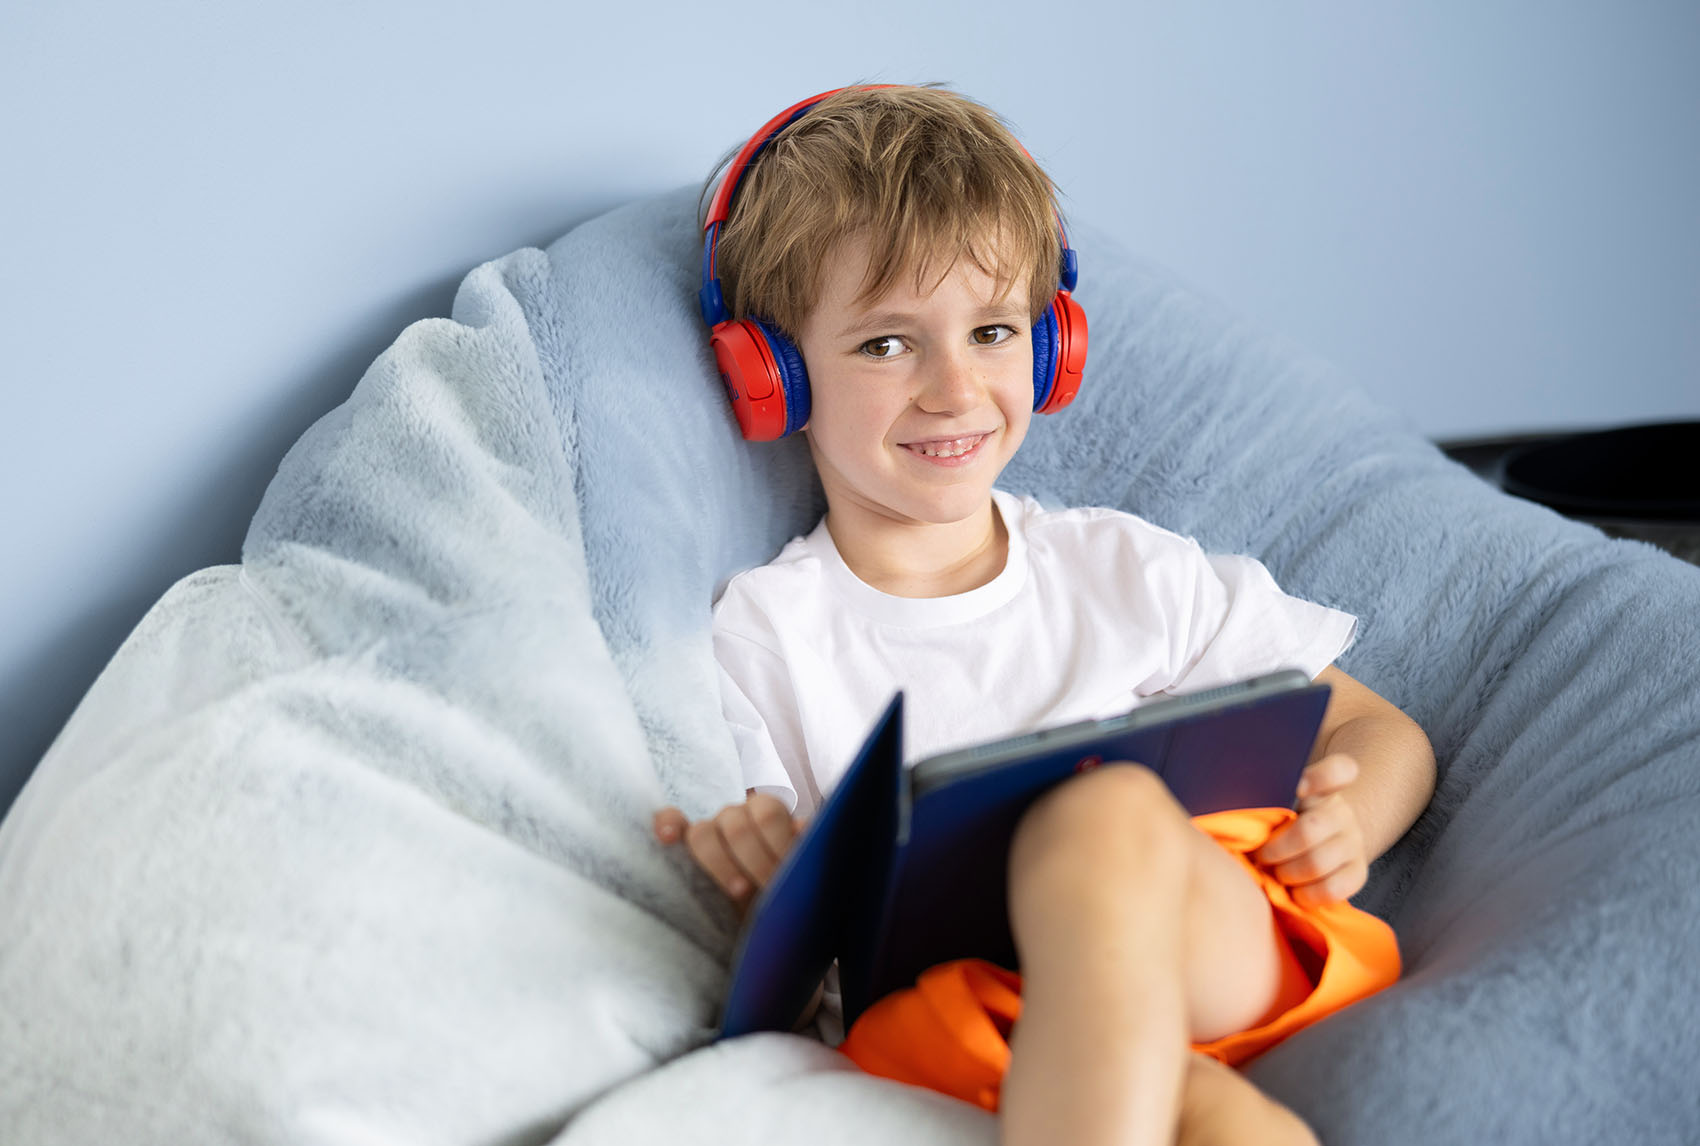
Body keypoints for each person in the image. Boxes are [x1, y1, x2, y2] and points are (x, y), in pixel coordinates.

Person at [653, 83, 1437, 1146]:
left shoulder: (1124, 568)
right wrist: (754, 892)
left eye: (991, 331)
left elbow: (1380, 732)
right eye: (886, 345)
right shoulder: (764, 633)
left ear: (1050, 343)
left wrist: (1352, 822)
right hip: (963, 1020)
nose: (954, 388)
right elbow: (786, 972)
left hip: (1204, 947)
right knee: (1222, 1123)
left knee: (1103, 817)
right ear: (772, 376)